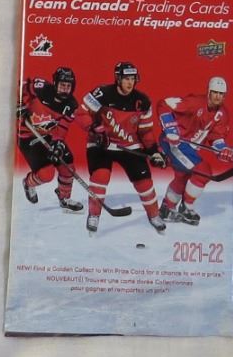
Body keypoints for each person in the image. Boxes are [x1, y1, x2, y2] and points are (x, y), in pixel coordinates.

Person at [79, 62, 165, 234]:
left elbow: (146, 132)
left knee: (145, 182)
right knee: (100, 177)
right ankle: (94, 214)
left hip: (129, 146)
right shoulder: (102, 93)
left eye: (132, 78)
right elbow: (81, 113)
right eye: (126, 78)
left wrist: (154, 152)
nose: (130, 82)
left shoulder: (142, 101)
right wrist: (94, 128)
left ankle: (154, 215)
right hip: (101, 144)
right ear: (118, 79)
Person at [157, 76, 233, 225]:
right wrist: (170, 128)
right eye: (215, 92)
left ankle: (166, 209)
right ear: (209, 91)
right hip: (174, 142)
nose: (218, 96)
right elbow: (163, 104)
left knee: (182, 176)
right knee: (203, 171)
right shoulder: (194, 103)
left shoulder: (222, 114)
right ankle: (186, 208)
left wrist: (222, 149)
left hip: (189, 147)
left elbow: (216, 137)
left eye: (221, 94)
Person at [19, 67, 83, 211]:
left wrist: (58, 143)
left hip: (47, 136)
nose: (65, 89)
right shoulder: (41, 87)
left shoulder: (71, 105)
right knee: (46, 175)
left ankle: (64, 198)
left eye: (68, 86)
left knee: (68, 166)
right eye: (62, 85)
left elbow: (63, 127)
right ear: (55, 83)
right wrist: (19, 104)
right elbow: (19, 88)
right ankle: (28, 183)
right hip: (28, 136)